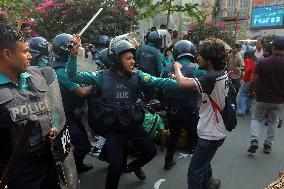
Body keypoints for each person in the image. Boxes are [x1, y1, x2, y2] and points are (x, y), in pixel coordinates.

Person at [66, 37, 178, 189]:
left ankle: (133, 166)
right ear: (117, 59)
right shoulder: (101, 76)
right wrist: (73, 56)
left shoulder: (138, 76)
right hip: (114, 128)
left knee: (150, 151)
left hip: (133, 124)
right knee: (116, 165)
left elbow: (159, 82)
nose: (133, 61)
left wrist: (183, 83)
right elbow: (73, 76)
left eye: (133, 58)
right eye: (128, 58)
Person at [0, 24, 60, 189]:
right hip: (18, 173)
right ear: (7, 54)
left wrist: (53, 128)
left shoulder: (37, 76)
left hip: (49, 161)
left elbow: (51, 111)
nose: (30, 56)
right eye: (25, 51)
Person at [173, 38, 229, 189]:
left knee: (194, 171)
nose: (197, 57)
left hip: (210, 134)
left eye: (200, 55)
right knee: (204, 162)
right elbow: (199, 84)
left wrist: (177, 69)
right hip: (215, 130)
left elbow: (183, 83)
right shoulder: (218, 74)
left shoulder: (211, 77)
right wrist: (180, 78)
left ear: (209, 59)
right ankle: (209, 184)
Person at [51, 33, 93, 173]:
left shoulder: (67, 65)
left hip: (71, 111)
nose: (77, 48)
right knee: (81, 145)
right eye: (73, 46)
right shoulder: (60, 71)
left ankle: (77, 165)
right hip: (62, 114)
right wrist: (97, 83)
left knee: (84, 141)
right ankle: (67, 170)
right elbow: (81, 92)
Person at [161, 40, 206, 170]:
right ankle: (198, 163)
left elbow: (159, 88)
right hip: (189, 111)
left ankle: (168, 161)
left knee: (173, 136)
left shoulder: (167, 68)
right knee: (195, 137)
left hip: (171, 111)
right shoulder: (197, 68)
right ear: (192, 52)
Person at [247, 37, 284, 154]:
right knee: (273, 121)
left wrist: (250, 91)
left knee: (256, 119)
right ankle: (268, 144)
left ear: (273, 48)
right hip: (279, 100)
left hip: (262, 97)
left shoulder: (262, 62)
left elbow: (254, 80)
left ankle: (254, 140)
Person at [136, 30, 167, 101]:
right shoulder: (158, 53)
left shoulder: (141, 48)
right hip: (151, 83)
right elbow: (160, 71)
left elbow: (135, 60)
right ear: (158, 41)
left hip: (139, 79)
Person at [236, 50, 255, 116]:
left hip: (248, 79)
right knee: (249, 95)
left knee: (242, 95)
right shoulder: (252, 61)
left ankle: (241, 111)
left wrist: (243, 79)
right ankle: (247, 109)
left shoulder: (247, 60)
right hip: (252, 80)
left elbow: (248, 69)